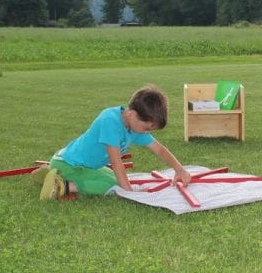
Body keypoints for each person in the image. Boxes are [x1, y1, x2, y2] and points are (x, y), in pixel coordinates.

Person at [36, 84, 192, 200]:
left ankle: (49, 173)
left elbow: (159, 150)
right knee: (113, 186)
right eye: (147, 128)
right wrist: (129, 193)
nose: (147, 133)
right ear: (132, 114)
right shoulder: (110, 121)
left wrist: (180, 170)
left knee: (115, 180)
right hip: (70, 164)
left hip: (82, 166)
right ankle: (62, 185)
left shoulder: (134, 127)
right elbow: (117, 163)